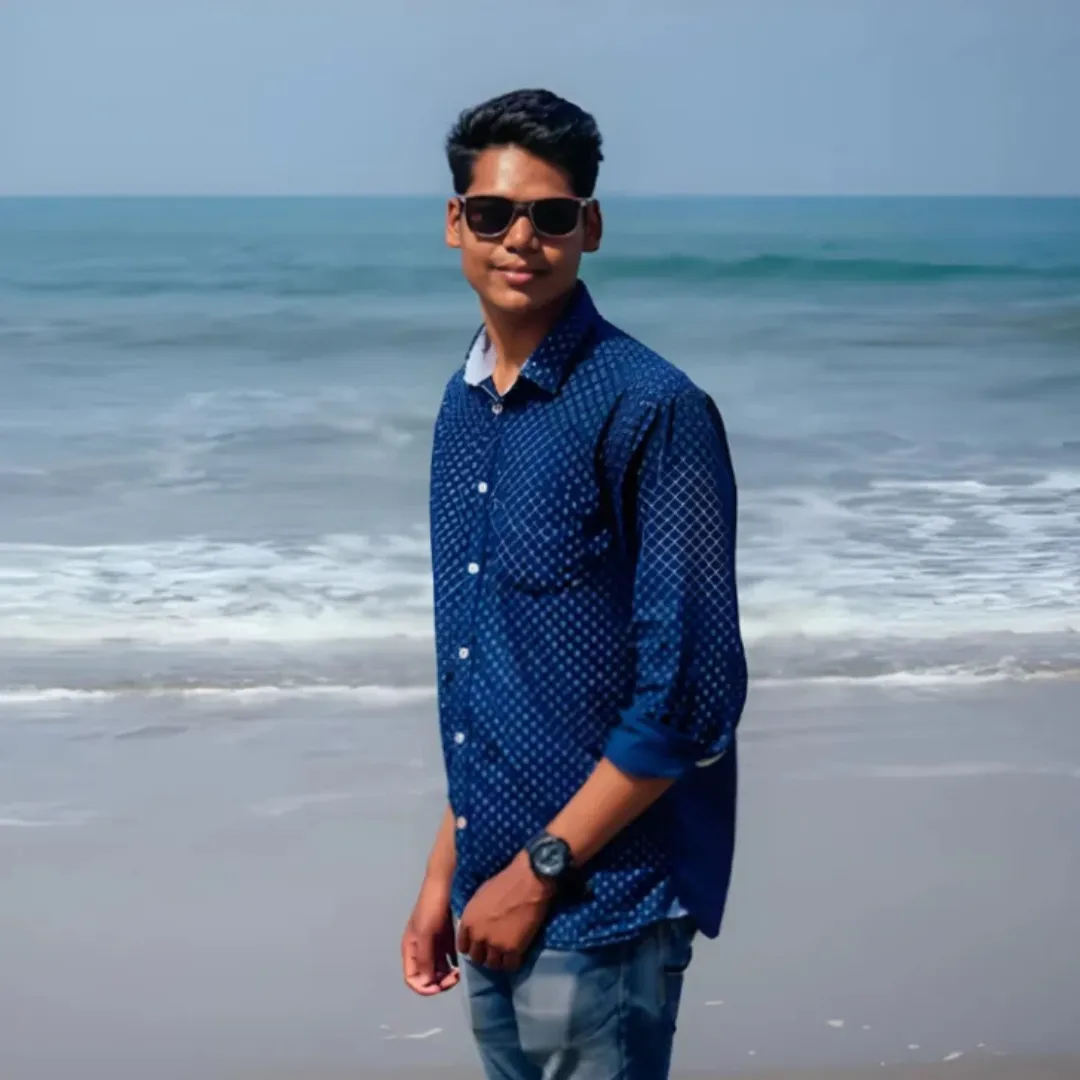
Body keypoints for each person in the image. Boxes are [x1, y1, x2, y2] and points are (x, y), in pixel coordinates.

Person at [401, 88, 748, 1080]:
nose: (521, 238)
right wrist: (444, 874)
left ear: (589, 228)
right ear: (455, 222)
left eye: (550, 215)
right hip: (490, 895)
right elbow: (492, 674)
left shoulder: (654, 409)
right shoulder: (466, 405)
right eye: (492, 212)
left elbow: (689, 696)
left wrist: (538, 874)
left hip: (602, 904)